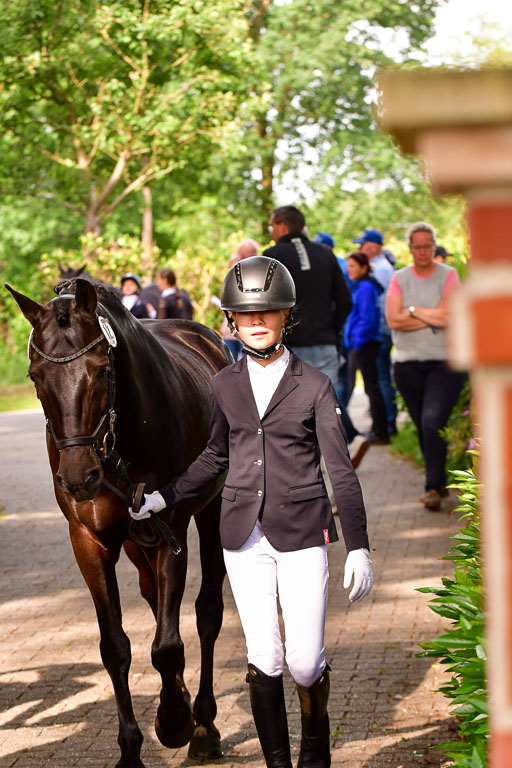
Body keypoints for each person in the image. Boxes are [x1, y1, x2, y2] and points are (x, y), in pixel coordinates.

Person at [131, 256, 373, 768]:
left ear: (286, 315)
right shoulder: (223, 385)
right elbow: (216, 455)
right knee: (265, 657)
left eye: (267, 313)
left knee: (306, 663)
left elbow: (341, 471)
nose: (256, 322)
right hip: (241, 537)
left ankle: (316, 752)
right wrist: (164, 496)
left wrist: (360, 547)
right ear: (231, 320)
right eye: (245, 314)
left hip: (305, 532)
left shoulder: (314, 385)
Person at [264, 206, 368, 468]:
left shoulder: (273, 256)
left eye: (271, 226)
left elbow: (266, 304)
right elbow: (345, 300)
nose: (271, 231)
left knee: (296, 417)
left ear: (282, 226)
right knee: (325, 403)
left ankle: (309, 478)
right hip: (325, 342)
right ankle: (348, 441)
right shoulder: (326, 254)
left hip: (289, 346)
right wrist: (332, 329)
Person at [385, 221, 466, 511]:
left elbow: (451, 317)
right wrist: (433, 314)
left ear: (434, 246)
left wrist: (412, 310)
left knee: (433, 422)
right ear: (410, 248)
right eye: (417, 246)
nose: (422, 251)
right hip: (408, 365)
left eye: (427, 246)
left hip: (445, 362)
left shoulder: (449, 275)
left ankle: (432, 487)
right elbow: (393, 320)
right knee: (423, 425)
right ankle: (439, 480)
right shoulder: (399, 278)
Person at [352, 228, 398, 436]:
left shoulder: (377, 270)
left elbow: (370, 312)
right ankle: (386, 423)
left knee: (379, 379)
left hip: (378, 332)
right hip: (378, 331)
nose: (360, 248)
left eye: (363, 244)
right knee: (379, 378)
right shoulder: (379, 268)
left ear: (374, 246)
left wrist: (359, 340)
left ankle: (386, 424)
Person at [345, 252, 389, 444]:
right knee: (371, 386)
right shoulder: (363, 286)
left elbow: (367, 319)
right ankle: (379, 429)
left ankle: (380, 431)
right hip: (364, 342)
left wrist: (357, 340)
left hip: (365, 344)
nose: (349, 270)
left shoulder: (365, 288)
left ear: (364, 267)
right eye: (348, 266)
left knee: (371, 387)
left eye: (353, 266)